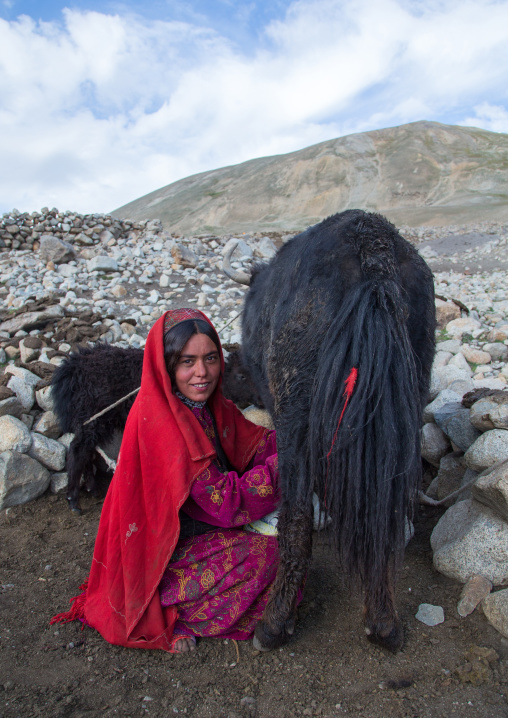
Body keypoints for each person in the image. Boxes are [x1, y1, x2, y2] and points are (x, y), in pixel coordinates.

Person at [52, 308, 280, 653]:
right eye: (187, 361)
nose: (202, 373)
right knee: (268, 555)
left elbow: (254, 442)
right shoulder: (165, 425)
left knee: (289, 551)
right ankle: (169, 608)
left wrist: (298, 435)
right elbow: (228, 503)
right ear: (167, 364)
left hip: (196, 527)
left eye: (210, 359)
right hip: (160, 554)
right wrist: (291, 462)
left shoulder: (208, 406)